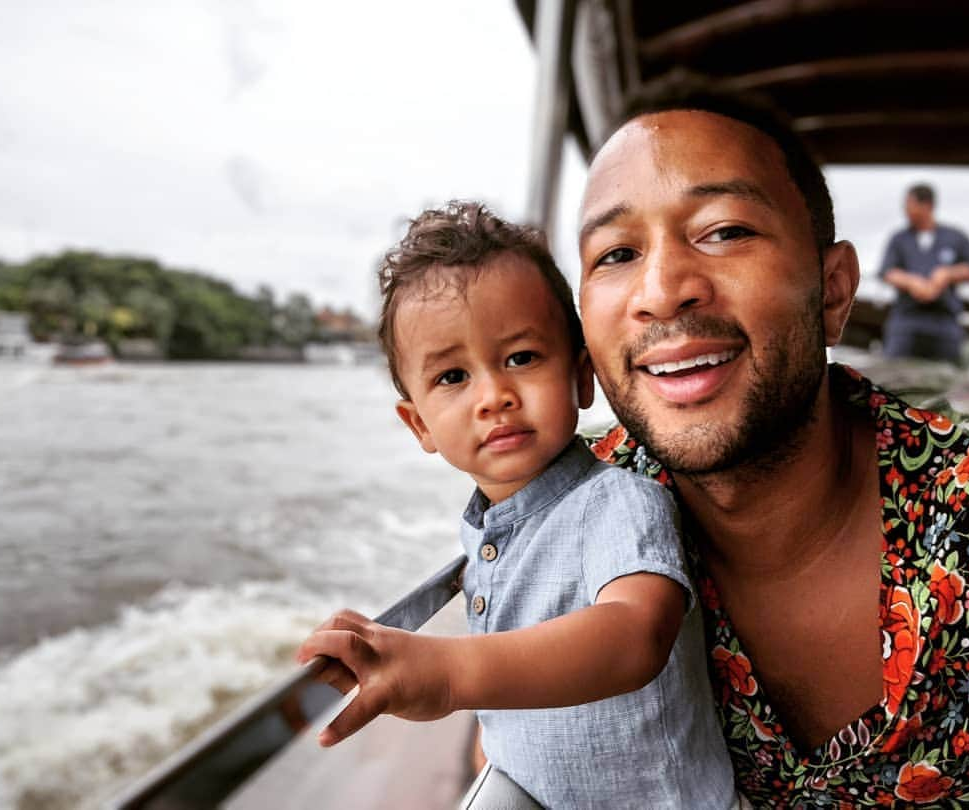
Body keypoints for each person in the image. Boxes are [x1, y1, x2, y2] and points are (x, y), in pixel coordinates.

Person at [577, 84, 969, 808]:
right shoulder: (567, 525)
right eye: (615, 252)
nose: (662, 290)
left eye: (724, 230)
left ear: (832, 292)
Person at [296, 201, 738, 808]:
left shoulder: (616, 504)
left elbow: (635, 637)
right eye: (453, 377)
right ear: (418, 424)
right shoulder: (484, 530)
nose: (495, 396)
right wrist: (494, 733)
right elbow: (515, 648)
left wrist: (449, 674)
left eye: (522, 359)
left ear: (582, 378)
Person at [879, 183, 969, 363]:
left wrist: (947, 274)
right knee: (894, 372)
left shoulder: (956, 236)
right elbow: (887, 272)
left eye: (909, 204)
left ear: (926, 205)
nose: (905, 210)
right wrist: (912, 282)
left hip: (944, 320)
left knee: (949, 375)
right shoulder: (899, 238)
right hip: (906, 319)